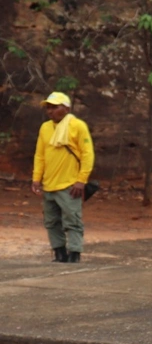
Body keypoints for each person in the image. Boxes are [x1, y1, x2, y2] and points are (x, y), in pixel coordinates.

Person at [31, 91, 94, 263]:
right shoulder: (45, 128)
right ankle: (59, 252)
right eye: (48, 108)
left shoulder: (78, 126)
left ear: (66, 108)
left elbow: (88, 155)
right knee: (51, 221)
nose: (50, 111)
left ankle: (74, 253)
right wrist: (36, 178)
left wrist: (81, 181)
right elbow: (40, 155)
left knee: (72, 220)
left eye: (54, 107)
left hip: (69, 184)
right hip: (49, 184)